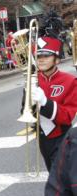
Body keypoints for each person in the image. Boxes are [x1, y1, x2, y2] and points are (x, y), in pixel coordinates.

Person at [30, 36, 77, 171]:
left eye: (46, 55)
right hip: (42, 137)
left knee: (59, 179)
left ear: (57, 59)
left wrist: (45, 103)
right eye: (38, 56)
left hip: (61, 137)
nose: (41, 59)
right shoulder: (33, 79)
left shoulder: (70, 81)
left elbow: (67, 116)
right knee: (52, 173)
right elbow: (25, 112)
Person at [44, 125, 77, 196]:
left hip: (58, 135)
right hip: (46, 135)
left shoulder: (73, 140)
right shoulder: (73, 139)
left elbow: (66, 116)